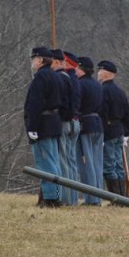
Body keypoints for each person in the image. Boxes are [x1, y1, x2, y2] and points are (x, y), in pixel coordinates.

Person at [24, 47, 63, 207]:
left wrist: (31, 126)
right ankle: (56, 196)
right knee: (54, 161)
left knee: (45, 162)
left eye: (34, 58)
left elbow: (35, 104)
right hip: (53, 121)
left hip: (43, 123)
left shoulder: (41, 77)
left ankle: (50, 198)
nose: (32, 62)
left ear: (40, 60)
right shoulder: (55, 76)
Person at [98, 60, 129, 197]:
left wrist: (102, 133)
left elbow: (103, 114)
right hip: (119, 131)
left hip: (109, 131)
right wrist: (126, 133)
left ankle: (115, 198)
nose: (98, 74)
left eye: (100, 71)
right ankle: (122, 197)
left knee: (109, 166)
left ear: (106, 74)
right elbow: (128, 114)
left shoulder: (103, 90)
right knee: (118, 165)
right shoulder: (120, 92)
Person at [52, 49, 81, 206]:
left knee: (64, 161)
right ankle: (73, 198)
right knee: (70, 162)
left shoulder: (64, 78)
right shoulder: (73, 79)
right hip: (74, 121)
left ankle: (66, 198)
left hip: (65, 121)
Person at [75, 56, 104, 205]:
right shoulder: (97, 85)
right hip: (98, 124)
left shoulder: (80, 85)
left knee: (87, 164)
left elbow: (77, 105)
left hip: (85, 124)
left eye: (77, 68)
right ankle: (97, 195)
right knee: (97, 163)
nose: (75, 70)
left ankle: (91, 199)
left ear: (81, 69)